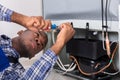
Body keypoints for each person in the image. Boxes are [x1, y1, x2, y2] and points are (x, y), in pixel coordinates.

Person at [0, 4, 75, 80]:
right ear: (21, 32)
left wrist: (60, 43)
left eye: (41, 45)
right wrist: (23, 20)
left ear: (32, 56)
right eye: (37, 34)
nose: (38, 41)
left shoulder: (16, 72)